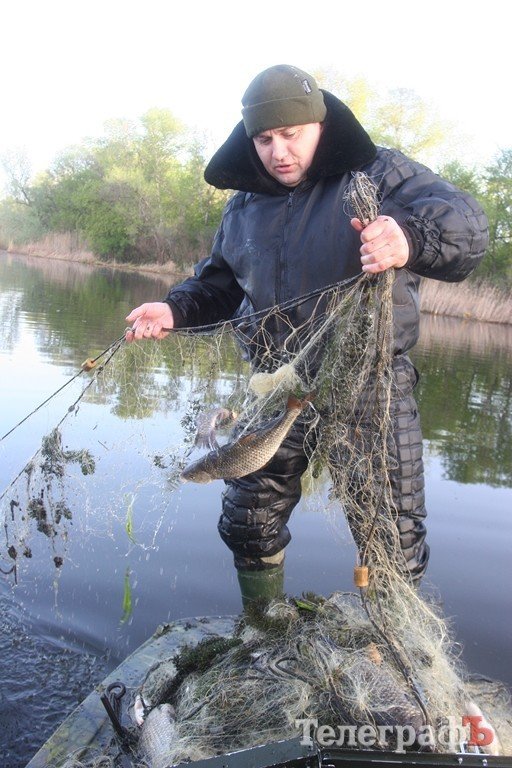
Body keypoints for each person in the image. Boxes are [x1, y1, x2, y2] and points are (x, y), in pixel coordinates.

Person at [125, 65, 488, 607]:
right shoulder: (245, 203)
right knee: (249, 519)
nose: (278, 152)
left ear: (319, 125)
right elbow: (220, 285)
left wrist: (408, 236)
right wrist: (174, 309)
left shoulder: (379, 173)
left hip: (370, 387)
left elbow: (469, 224)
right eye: (265, 139)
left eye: (291, 134)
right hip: (275, 388)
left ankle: (387, 648)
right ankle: (263, 625)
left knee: (391, 536)